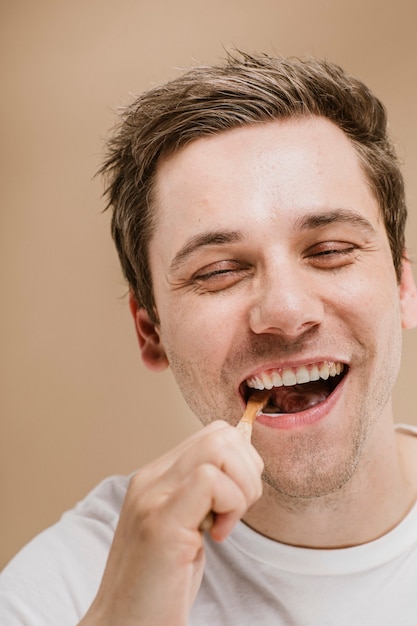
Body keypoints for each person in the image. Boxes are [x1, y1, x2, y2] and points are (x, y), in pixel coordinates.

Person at [2, 51, 417, 626]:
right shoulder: (63, 588)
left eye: (329, 251)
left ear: (402, 285)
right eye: (219, 272)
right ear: (151, 333)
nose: (286, 311)